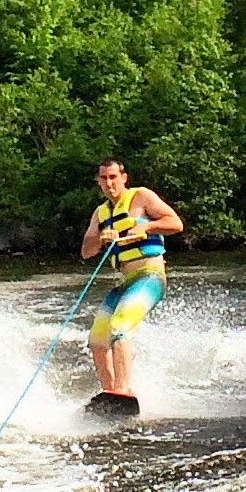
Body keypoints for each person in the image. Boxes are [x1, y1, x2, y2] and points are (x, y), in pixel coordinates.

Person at [81, 157, 183, 397]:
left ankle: (123, 389)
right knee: (96, 340)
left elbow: (176, 223)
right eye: (104, 178)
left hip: (150, 276)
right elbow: (86, 251)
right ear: (99, 183)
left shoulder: (141, 197)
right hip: (126, 282)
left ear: (123, 178)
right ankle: (109, 394)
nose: (109, 182)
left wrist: (146, 227)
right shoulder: (101, 213)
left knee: (119, 326)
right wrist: (101, 238)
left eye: (113, 177)